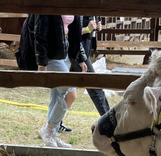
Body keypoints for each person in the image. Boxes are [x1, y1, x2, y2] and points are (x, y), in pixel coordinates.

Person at [33, 15, 87, 148]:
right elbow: (40, 31)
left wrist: (80, 57)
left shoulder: (74, 3)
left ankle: (52, 135)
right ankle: (48, 129)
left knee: (57, 95)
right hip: (52, 53)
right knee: (70, 94)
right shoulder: (51, 1)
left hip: (64, 50)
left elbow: (75, 32)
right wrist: (42, 62)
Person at [68, 16, 110, 118]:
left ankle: (55, 122)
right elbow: (69, 33)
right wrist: (88, 29)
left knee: (66, 89)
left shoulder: (91, 9)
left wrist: (97, 26)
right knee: (94, 86)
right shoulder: (79, 8)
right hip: (77, 51)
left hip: (83, 50)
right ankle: (109, 120)